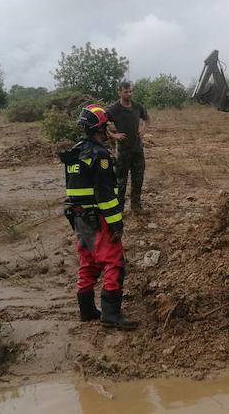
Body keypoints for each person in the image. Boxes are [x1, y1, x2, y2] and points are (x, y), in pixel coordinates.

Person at [59, 104, 138, 330]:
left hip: (79, 218)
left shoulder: (75, 152)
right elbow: (106, 196)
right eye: (105, 128)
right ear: (99, 129)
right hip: (98, 218)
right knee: (114, 262)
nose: (107, 132)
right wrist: (116, 224)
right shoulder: (99, 155)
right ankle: (111, 314)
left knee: (88, 262)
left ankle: (86, 310)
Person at [106, 81, 150, 212]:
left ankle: (136, 206)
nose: (129, 94)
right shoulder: (113, 109)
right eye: (126, 92)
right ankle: (119, 209)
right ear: (119, 92)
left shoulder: (137, 106)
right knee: (121, 181)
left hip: (137, 149)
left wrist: (143, 130)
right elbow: (102, 123)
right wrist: (113, 135)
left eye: (130, 91)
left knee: (138, 178)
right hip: (123, 151)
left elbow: (147, 119)